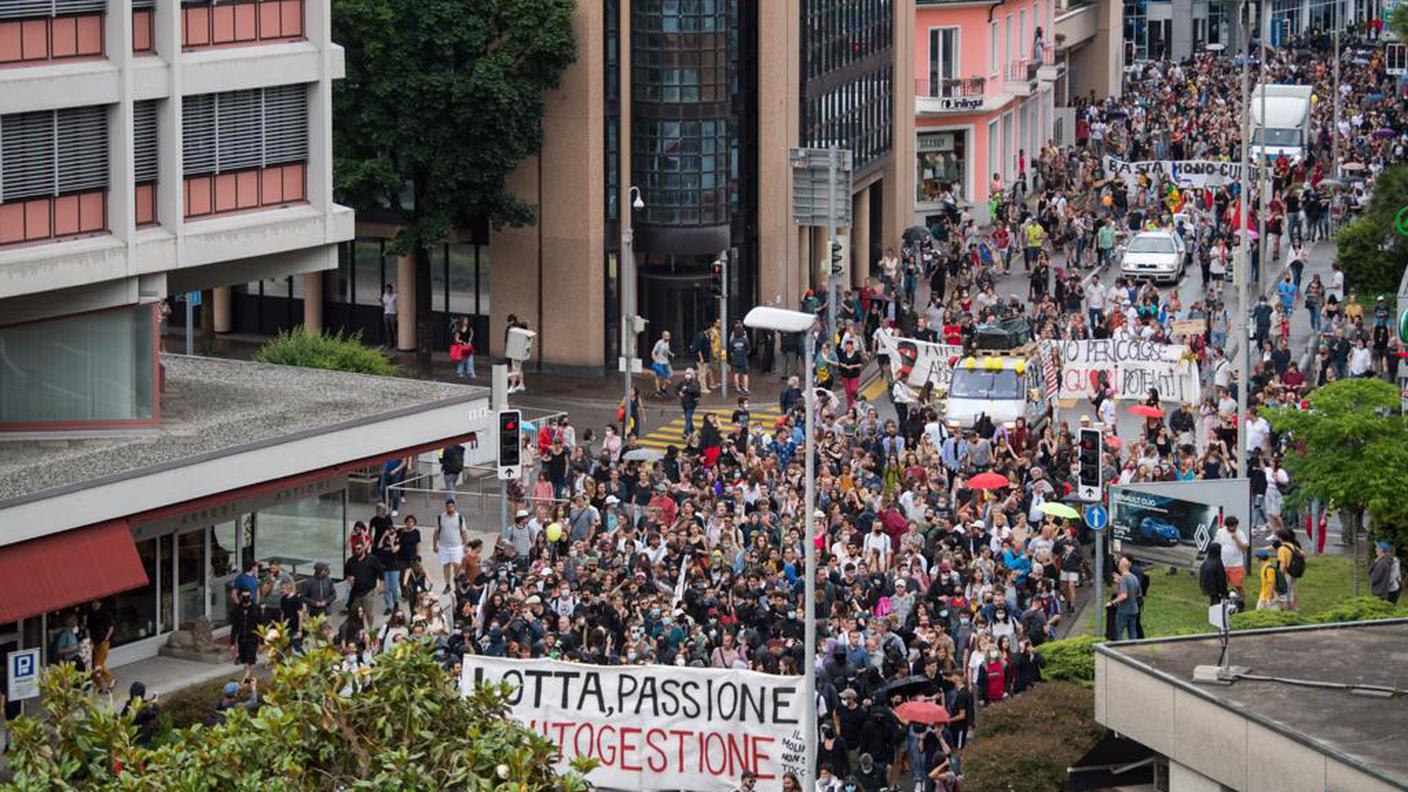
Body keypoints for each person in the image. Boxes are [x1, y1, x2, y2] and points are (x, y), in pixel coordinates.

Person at [434, 499, 468, 594]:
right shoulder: (440, 517)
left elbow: (464, 532)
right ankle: (447, 585)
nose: (450, 508)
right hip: (444, 546)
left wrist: (466, 545)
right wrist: (435, 545)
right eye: (448, 507)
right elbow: (436, 532)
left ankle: (457, 584)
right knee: (446, 566)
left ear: (455, 507)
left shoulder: (460, 518)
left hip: (456, 546)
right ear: (446, 507)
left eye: (452, 506)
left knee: (457, 566)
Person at [121, 681, 161, 747]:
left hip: (130, 738)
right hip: (143, 739)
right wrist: (155, 704)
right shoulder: (141, 708)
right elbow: (153, 714)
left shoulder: (128, 705)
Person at [1111, 556, 1142, 640]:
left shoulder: (1124, 578)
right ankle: (1134, 648)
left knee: (1118, 632)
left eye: (1119, 563)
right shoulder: (1134, 577)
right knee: (1132, 632)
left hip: (1124, 610)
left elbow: (1123, 595)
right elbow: (1138, 593)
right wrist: (1119, 582)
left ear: (1122, 566)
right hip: (1134, 609)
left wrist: (1113, 602)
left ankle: (1119, 649)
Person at [87, 599, 115, 693]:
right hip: (94, 643)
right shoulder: (90, 614)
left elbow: (111, 626)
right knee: (94, 666)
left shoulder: (105, 613)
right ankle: (99, 685)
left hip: (103, 642)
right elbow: (88, 628)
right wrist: (89, 640)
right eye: (93, 602)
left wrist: (106, 639)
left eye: (96, 602)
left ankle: (110, 680)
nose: (94, 604)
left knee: (98, 665)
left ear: (100, 603)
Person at [1215, 516, 1248, 594]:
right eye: (1230, 526)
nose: (1233, 528)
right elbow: (1216, 544)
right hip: (1223, 563)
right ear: (1227, 526)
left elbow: (1244, 548)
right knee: (1221, 584)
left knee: (1238, 585)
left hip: (1236, 564)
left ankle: (1241, 601)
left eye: (1234, 526)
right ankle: (1222, 600)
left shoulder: (1240, 533)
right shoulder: (1220, 532)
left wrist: (1236, 539)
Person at [728, 322, 752, 395]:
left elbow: (731, 350)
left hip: (735, 359)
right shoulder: (745, 340)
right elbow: (748, 350)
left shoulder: (733, 341)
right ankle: (745, 388)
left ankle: (738, 388)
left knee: (736, 374)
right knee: (745, 374)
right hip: (743, 359)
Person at [678, 367, 702, 438]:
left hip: (691, 403)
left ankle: (686, 433)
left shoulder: (695, 382)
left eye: (689, 373)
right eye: (686, 373)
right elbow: (677, 388)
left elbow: (696, 390)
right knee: (688, 418)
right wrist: (679, 392)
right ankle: (693, 431)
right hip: (684, 403)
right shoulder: (683, 382)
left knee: (688, 418)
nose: (687, 375)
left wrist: (687, 389)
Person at [650, 331, 674, 397]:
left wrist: (671, 354)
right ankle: (658, 391)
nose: (668, 337)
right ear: (663, 336)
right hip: (659, 362)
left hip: (666, 361)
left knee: (670, 374)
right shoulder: (659, 343)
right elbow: (653, 352)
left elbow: (667, 350)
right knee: (658, 376)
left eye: (669, 336)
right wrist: (655, 361)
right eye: (666, 336)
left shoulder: (667, 343)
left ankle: (663, 388)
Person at [380, 283, 398, 348]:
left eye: (389, 289)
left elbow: (398, 304)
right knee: (387, 330)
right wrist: (381, 302)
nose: (387, 290)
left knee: (393, 329)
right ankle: (389, 344)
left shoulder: (395, 295)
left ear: (391, 289)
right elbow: (384, 305)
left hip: (393, 314)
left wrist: (397, 314)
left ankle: (396, 344)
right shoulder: (385, 295)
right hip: (386, 313)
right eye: (386, 289)